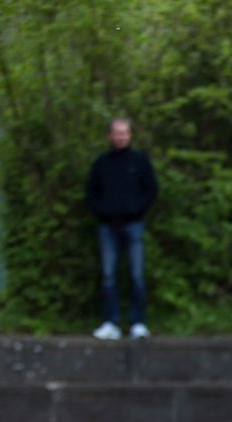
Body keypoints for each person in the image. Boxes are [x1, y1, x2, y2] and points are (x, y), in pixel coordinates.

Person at [86, 118, 158, 340]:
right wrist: (103, 212)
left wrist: (137, 211)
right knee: (109, 276)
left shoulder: (139, 161)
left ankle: (138, 323)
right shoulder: (101, 163)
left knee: (136, 275)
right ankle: (111, 323)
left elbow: (151, 189)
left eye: (124, 133)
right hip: (107, 226)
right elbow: (91, 192)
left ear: (130, 135)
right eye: (117, 133)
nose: (121, 137)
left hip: (134, 224)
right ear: (110, 136)